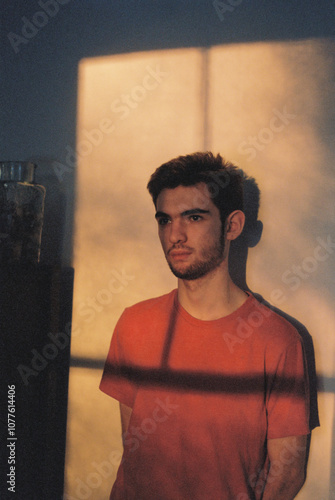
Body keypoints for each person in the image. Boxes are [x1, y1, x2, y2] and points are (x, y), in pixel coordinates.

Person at [100, 152, 311, 500]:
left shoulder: (278, 339)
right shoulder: (134, 324)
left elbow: (287, 472)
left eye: (193, 217)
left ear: (233, 225)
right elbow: (135, 448)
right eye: (164, 220)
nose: (175, 235)